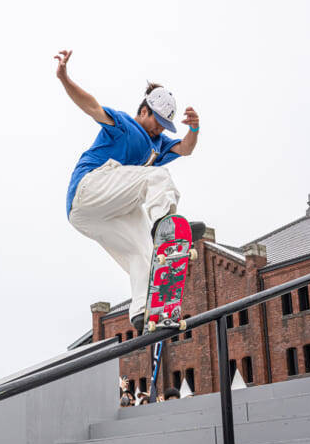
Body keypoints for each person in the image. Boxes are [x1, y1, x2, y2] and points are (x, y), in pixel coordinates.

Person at [55, 49, 202, 334]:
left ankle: (144, 311)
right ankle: (167, 228)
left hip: (89, 216)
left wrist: (194, 128)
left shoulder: (158, 144)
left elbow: (185, 148)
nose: (160, 129)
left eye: (165, 125)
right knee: (158, 177)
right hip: (88, 188)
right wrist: (64, 77)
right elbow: (91, 106)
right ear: (144, 110)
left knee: (143, 252)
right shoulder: (125, 125)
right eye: (157, 121)